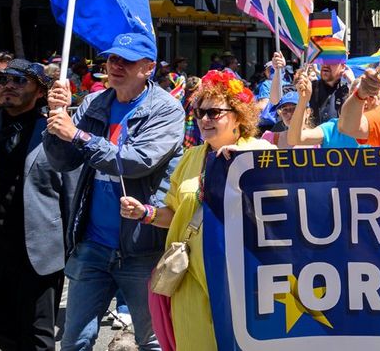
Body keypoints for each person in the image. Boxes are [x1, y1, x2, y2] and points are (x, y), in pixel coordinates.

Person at [43, 32, 186, 351]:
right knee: (74, 340)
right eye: (112, 59)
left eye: (127, 60)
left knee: (152, 340)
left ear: (148, 67)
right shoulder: (95, 102)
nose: (116, 65)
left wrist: (77, 135)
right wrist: (55, 121)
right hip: (93, 245)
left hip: (142, 247)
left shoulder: (167, 110)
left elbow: (137, 162)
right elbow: (62, 160)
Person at [120, 70, 273, 351]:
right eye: (200, 112)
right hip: (190, 276)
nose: (204, 119)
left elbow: (281, 210)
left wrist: (243, 168)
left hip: (241, 277)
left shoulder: (260, 152)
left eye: (214, 112)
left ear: (238, 116)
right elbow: (174, 213)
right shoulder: (190, 157)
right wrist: (145, 213)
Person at [0, 59, 79, 351]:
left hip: (39, 249)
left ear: (39, 92)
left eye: (20, 81)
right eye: (4, 79)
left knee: (36, 335)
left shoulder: (57, 130)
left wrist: (73, 245)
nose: (8, 85)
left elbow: (71, 191)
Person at [309, 55, 350, 126]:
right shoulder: (309, 89)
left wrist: (352, 83)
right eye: (323, 60)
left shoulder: (348, 92)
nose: (325, 65)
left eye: (332, 61)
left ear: (343, 67)